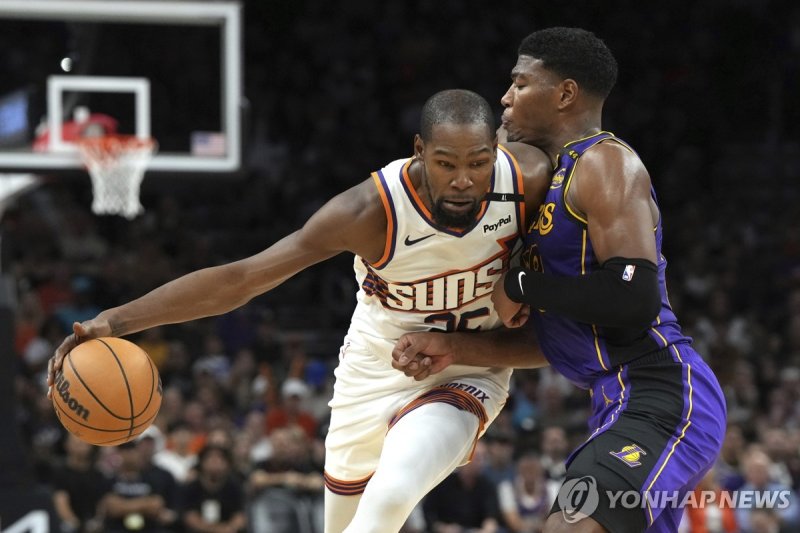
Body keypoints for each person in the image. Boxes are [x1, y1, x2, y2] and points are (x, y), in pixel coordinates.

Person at [48, 88, 553, 532]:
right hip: (374, 371)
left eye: (477, 162)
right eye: (447, 163)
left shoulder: (526, 180)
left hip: (470, 371)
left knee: (394, 493)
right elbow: (241, 279)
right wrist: (115, 320)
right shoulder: (369, 212)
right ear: (419, 152)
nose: (464, 180)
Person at [393, 27, 727, 533]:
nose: (505, 98)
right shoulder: (549, 180)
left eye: (520, 84)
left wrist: (520, 285)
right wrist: (453, 346)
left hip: (664, 395)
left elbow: (633, 296)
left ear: (565, 94)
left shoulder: (607, 162)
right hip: (613, 402)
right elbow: (556, 342)